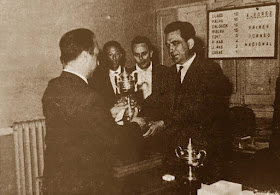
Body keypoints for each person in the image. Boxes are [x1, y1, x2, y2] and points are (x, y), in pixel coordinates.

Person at [42, 28, 146, 194]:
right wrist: (136, 124)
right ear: (84, 57)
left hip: (56, 182)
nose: (98, 62)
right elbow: (114, 140)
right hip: (83, 185)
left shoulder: (53, 87)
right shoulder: (89, 96)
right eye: (96, 55)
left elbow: (78, 123)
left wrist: (107, 112)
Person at [151, 21, 232, 183]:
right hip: (176, 154)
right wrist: (137, 108)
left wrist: (164, 122)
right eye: (168, 45)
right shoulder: (169, 73)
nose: (171, 50)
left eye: (176, 43)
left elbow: (198, 107)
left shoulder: (209, 69)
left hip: (202, 154)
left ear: (190, 43)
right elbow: (155, 99)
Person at [128, 36, 169, 123]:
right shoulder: (127, 75)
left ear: (151, 53)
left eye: (144, 53)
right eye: (136, 55)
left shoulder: (165, 72)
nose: (140, 58)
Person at [88, 41, 125, 108]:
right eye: (110, 55)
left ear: (121, 55)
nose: (114, 58)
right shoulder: (98, 79)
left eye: (117, 54)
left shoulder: (130, 74)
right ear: (105, 57)